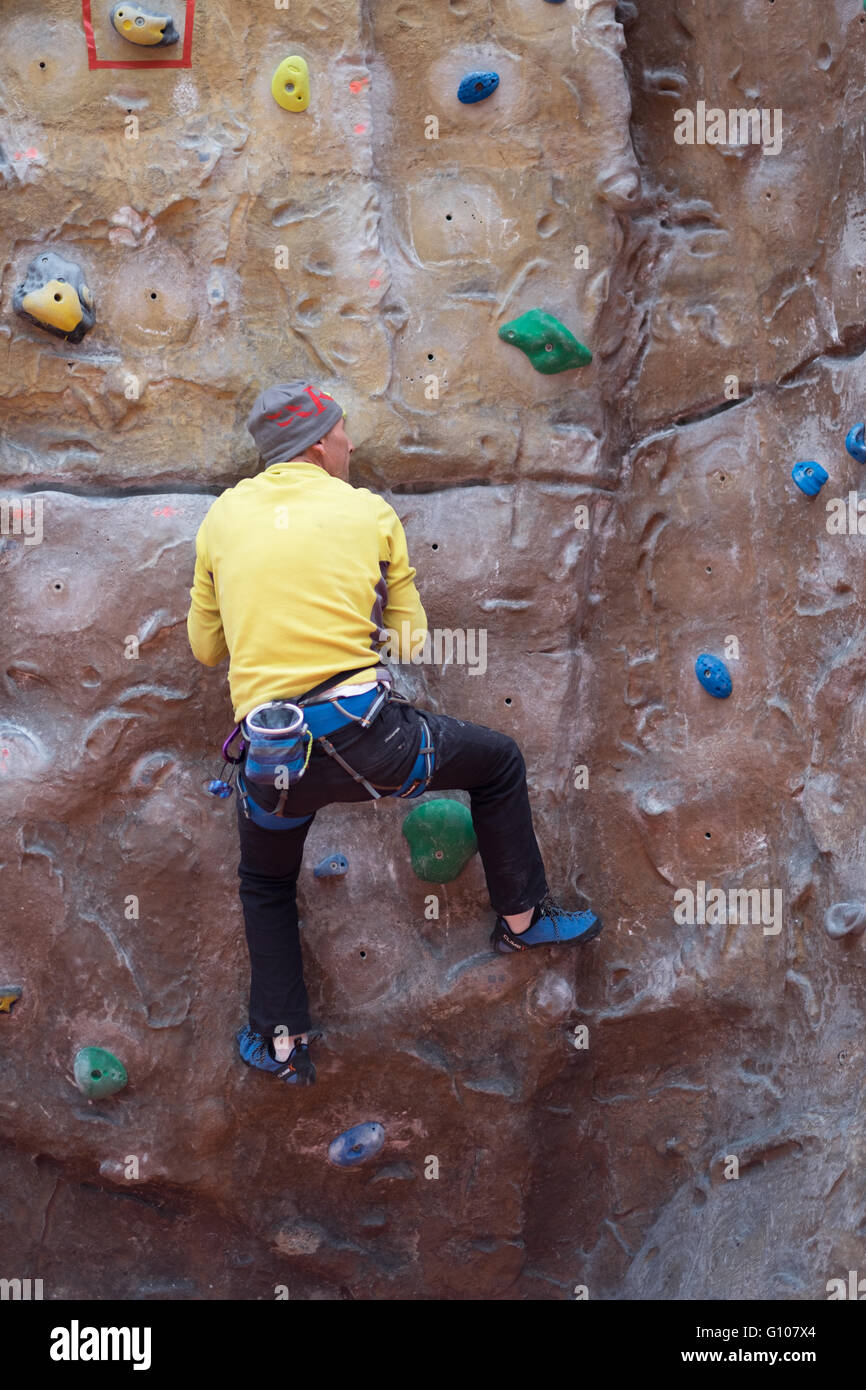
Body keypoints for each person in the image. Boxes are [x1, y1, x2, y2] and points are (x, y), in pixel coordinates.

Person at [186, 380, 603, 1087]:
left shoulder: (221, 520)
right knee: (497, 763)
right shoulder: (370, 513)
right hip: (375, 744)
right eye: (343, 433)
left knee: (265, 882)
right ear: (319, 442)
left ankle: (282, 1046)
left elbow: (205, 650)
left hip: (273, 760)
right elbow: (410, 639)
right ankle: (523, 921)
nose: (350, 445)